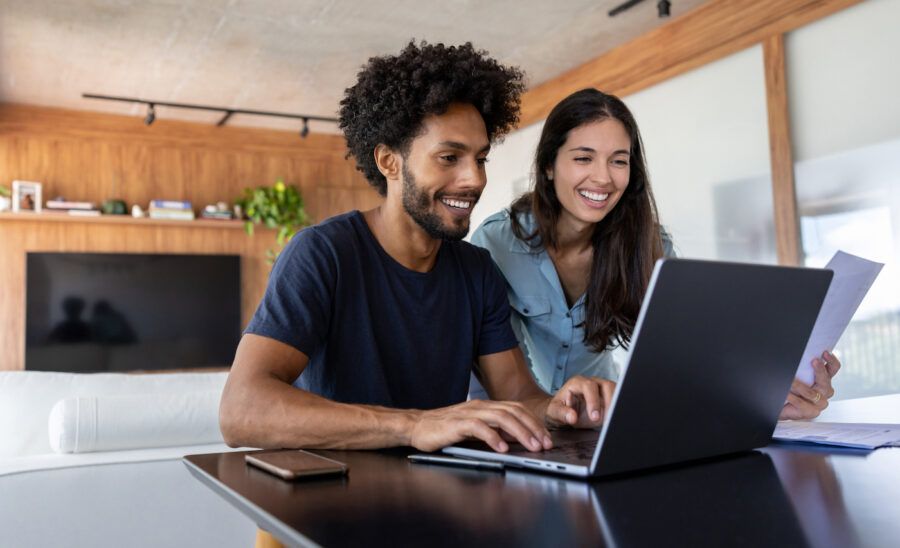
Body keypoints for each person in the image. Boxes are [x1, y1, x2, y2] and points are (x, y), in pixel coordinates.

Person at [219, 42, 616, 454]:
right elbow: (242, 412)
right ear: (389, 162)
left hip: (431, 495)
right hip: (329, 500)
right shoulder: (322, 254)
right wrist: (414, 425)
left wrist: (560, 409)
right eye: (449, 157)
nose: (474, 179)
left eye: (480, 159)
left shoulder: (476, 270)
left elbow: (515, 392)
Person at [470, 88, 840, 420]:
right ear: (549, 166)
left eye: (618, 160)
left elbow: (693, 348)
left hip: (599, 422)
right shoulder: (497, 242)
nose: (603, 178)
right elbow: (496, 368)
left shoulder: (648, 245)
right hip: (514, 422)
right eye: (583, 158)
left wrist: (769, 393)